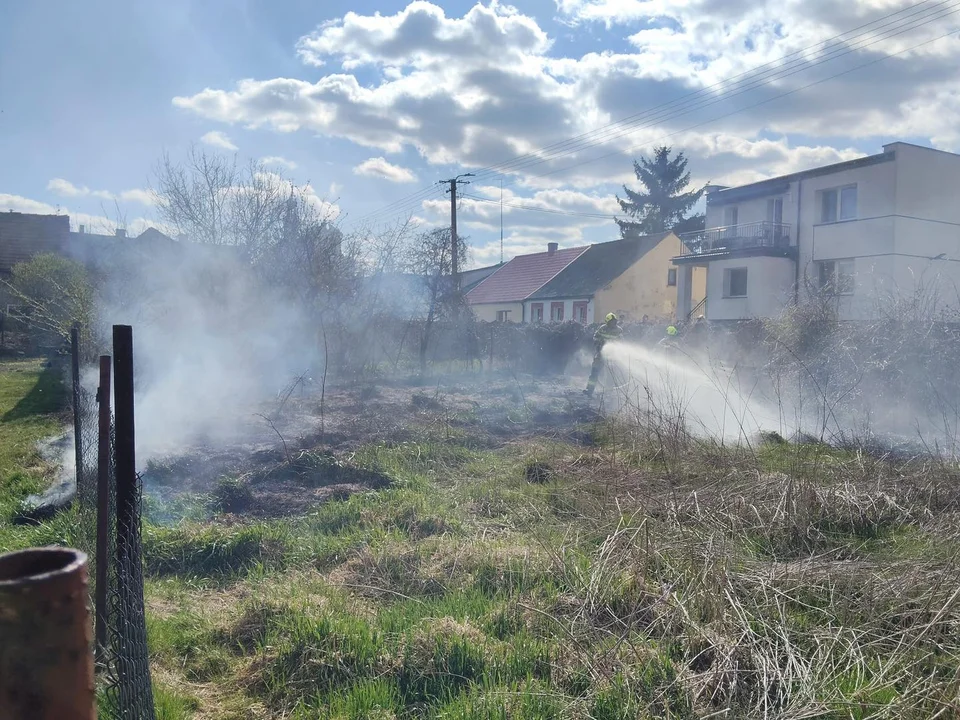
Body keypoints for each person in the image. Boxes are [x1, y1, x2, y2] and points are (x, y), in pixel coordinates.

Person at [584, 313, 622, 396]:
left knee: (610, 374)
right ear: (607, 322)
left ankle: (609, 392)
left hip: (612, 356)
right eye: (611, 321)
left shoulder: (619, 330)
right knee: (594, 371)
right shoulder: (602, 328)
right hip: (600, 354)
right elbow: (595, 337)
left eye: (614, 321)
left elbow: (621, 342)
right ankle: (589, 390)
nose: (613, 323)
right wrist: (598, 343)